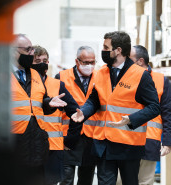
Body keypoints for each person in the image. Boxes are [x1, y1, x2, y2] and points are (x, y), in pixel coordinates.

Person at [0, 34, 68, 185]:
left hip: (35, 148)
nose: (32, 52)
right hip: (9, 148)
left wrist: (49, 103)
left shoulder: (35, 74)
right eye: (28, 49)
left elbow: (36, 105)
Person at [68, 31, 161, 185]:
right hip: (104, 144)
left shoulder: (140, 75)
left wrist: (131, 119)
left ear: (118, 50)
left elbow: (154, 107)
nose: (103, 50)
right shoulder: (100, 73)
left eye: (106, 47)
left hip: (129, 145)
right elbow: (94, 100)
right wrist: (83, 112)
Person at [31, 45, 81, 185]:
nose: (42, 63)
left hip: (52, 148)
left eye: (45, 60)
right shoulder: (25, 85)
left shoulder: (57, 85)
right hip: (30, 146)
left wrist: (70, 140)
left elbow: (76, 114)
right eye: (37, 60)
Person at [130, 45, 171, 185]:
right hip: (125, 139)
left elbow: (167, 112)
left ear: (140, 61)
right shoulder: (123, 79)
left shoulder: (160, 80)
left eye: (128, 58)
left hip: (149, 140)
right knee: (120, 181)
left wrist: (167, 141)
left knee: (145, 181)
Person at [55, 46, 98, 185]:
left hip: (91, 137)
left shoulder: (100, 78)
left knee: (86, 180)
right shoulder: (62, 77)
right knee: (66, 179)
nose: (89, 66)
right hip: (68, 137)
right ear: (77, 61)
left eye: (92, 62)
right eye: (86, 62)